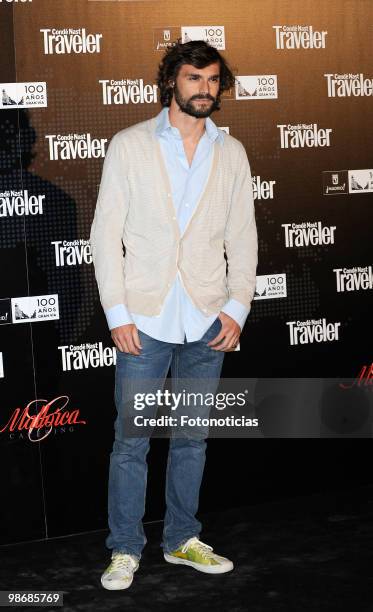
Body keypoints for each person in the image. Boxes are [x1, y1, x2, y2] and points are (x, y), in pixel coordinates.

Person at [90, 39, 258, 590]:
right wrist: (117, 312)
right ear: (172, 82)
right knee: (131, 441)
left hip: (208, 318)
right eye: (193, 78)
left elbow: (242, 234)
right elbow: (104, 234)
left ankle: (182, 538)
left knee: (192, 439)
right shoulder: (130, 145)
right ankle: (124, 549)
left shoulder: (230, 152)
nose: (204, 89)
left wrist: (237, 306)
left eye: (212, 80)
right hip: (145, 317)